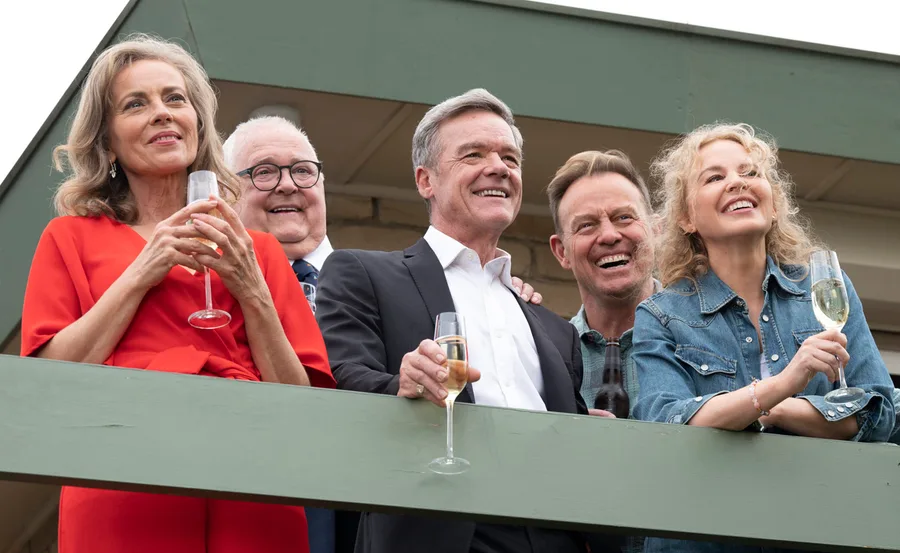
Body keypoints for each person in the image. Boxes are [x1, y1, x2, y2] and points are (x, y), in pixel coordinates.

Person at [20, 34, 334, 553]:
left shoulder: (256, 249)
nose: (162, 114)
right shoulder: (70, 238)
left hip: (253, 482)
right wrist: (144, 270)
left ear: (197, 122)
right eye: (135, 104)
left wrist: (251, 289)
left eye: (175, 98)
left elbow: (303, 406)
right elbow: (50, 382)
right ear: (108, 141)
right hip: (122, 480)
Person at [315, 89, 620, 553]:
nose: (498, 167)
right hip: (438, 532)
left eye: (509, 157)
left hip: (555, 534)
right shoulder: (363, 273)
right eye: (473, 154)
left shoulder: (556, 330)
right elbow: (337, 379)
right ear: (425, 180)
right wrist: (403, 383)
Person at [631, 123, 894, 552]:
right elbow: (664, 424)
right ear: (687, 218)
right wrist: (783, 384)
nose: (737, 181)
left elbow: (882, 412)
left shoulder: (826, 289)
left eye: (750, 173)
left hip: (821, 532)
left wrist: (775, 409)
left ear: (773, 205)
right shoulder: (661, 314)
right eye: (714, 178)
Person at [547, 150, 659, 420]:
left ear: (657, 231)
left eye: (624, 217)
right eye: (586, 225)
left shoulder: (708, 336)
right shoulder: (545, 358)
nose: (609, 235)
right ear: (562, 252)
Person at [224, 116, 332, 289]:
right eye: (264, 172)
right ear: (225, 194)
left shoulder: (382, 285)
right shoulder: (204, 294)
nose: (288, 185)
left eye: (302, 170)